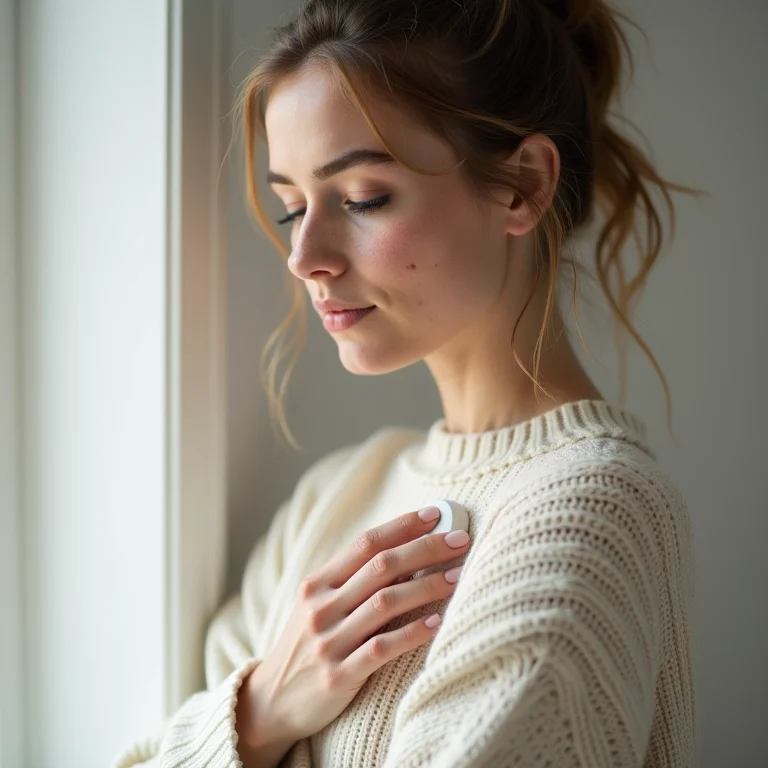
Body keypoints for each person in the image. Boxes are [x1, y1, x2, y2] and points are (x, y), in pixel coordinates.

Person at [111, 0, 697, 766]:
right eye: (293, 210)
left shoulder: (588, 508)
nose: (305, 255)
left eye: (362, 198)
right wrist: (256, 714)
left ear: (522, 185)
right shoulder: (339, 496)